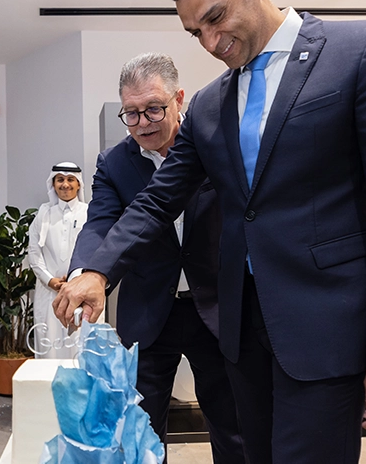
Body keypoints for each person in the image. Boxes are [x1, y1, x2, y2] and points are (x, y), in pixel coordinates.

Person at [54, 0, 366, 464]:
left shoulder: (364, 49)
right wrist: (97, 271)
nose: (211, 42)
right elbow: (156, 201)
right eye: (197, 33)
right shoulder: (213, 103)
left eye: (217, 17)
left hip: (326, 329)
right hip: (241, 335)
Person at [67, 53, 243, 462]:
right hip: (148, 311)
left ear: (179, 99)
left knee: (233, 425)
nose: (143, 123)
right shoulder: (113, 163)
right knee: (140, 431)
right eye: (131, 113)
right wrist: (87, 273)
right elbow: (101, 224)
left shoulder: (216, 146)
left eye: (153, 109)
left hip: (217, 306)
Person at [28, 162, 89, 359]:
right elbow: (34, 253)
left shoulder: (89, 212)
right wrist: (51, 281)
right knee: (49, 347)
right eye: (60, 179)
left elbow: (95, 250)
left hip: (82, 292)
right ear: (53, 184)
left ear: (78, 184)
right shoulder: (43, 214)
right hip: (49, 293)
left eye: (70, 179)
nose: (65, 184)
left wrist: (77, 281)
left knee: (80, 346)